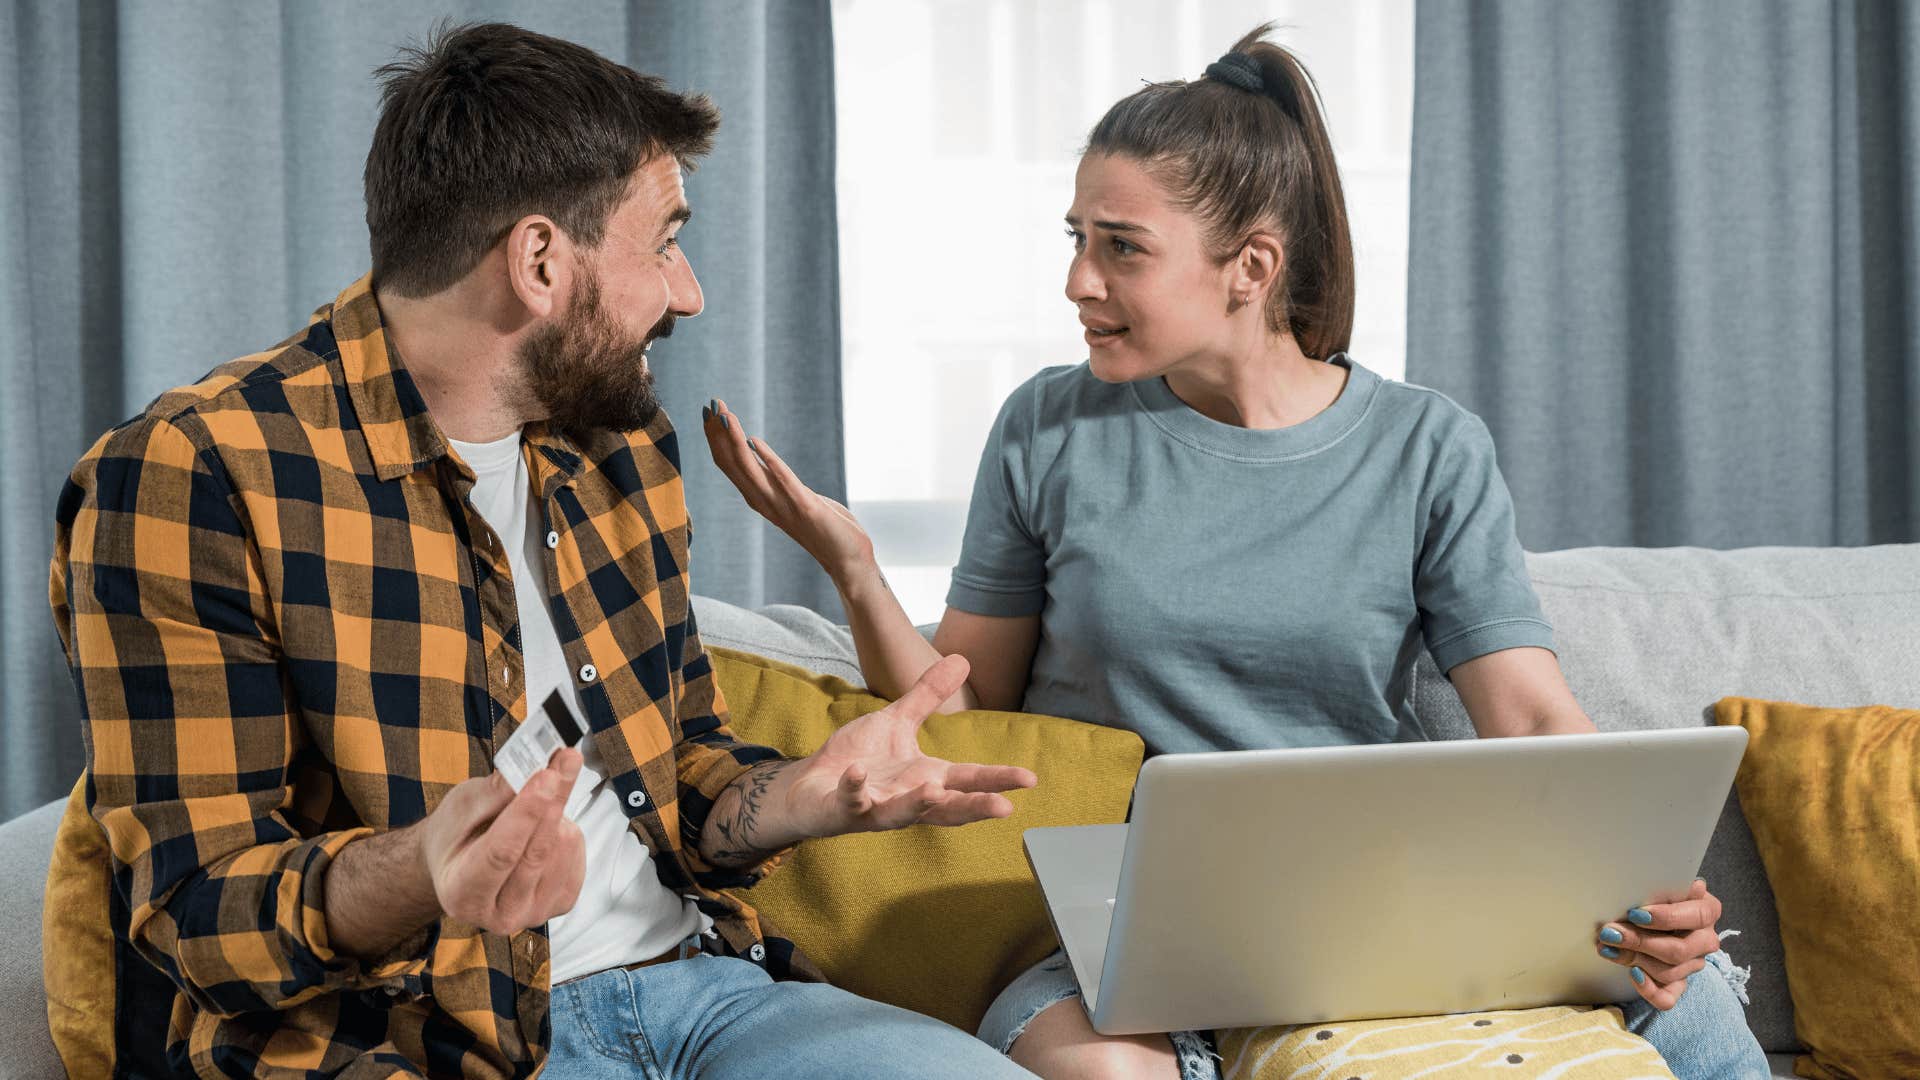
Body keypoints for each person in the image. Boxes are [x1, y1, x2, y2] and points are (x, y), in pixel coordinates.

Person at [702, 22, 1770, 1080]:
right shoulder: (1047, 429)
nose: (1078, 280)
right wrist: (854, 570)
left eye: (1120, 245)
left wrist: (1646, 880)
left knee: (1695, 1015)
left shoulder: (1427, 447)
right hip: (1123, 924)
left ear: (1249, 266)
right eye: (1074, 238)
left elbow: (1530, 713)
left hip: (1382, 906)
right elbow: (962, 712)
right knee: (1095, 1069)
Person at [48, 22, 1042, 1080]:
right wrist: (425, 871)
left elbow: (680, 770)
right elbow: (198, 913)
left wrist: (797, 796)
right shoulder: (195, 473)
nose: (688, 292)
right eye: (662, 243)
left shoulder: (613, 441)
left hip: (704, 992)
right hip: (421, 1042)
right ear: (538, 262)